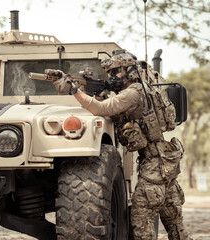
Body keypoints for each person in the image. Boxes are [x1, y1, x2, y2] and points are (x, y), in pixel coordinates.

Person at [53, 50, 192, 240]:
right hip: (163, 159)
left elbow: (102, 109)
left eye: (117, 72)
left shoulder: (133, 93)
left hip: (155, 163)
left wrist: (74, 90)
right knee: (173, 220)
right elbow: (112, 108)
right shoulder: (142, 89)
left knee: (141, 220)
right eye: (111, 73)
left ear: (130, 71)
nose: (113, 77)